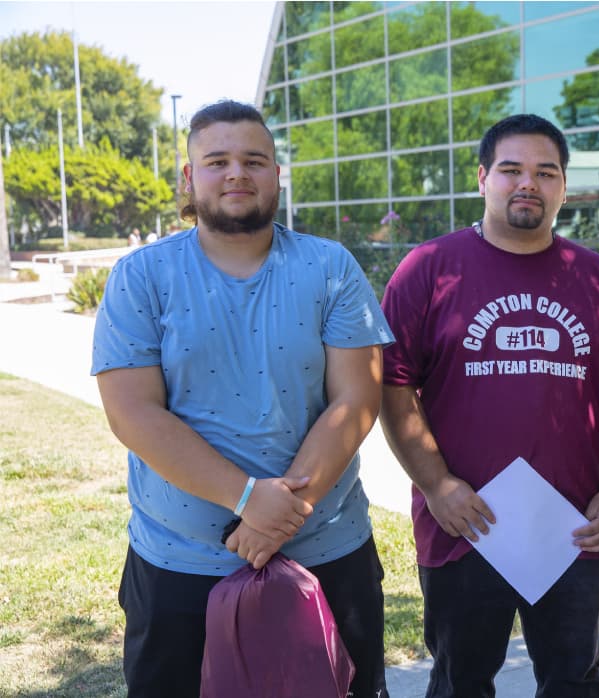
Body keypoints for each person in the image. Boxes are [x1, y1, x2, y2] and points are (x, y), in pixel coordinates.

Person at [91, 100, 394, 698]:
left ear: (276, 174)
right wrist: (247, 498)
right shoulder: (141, 276)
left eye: (255, 160)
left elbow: (356, 398)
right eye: (218, 161)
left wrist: (276, 517)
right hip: (180, 565)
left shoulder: (330, 267)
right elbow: (133, 412)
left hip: (326, 555)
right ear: (189, 177)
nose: (237, 174)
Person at [379, 113, 599, 697]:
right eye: (511, 169)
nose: (527, 183)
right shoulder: (429, 269)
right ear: (482, 178)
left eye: (545, 172)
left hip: (571, 528)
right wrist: (436, 484)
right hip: (464, 524)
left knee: (574, 681)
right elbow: (392, 385)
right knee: (461, 683)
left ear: (563, 187)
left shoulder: (596, 278)